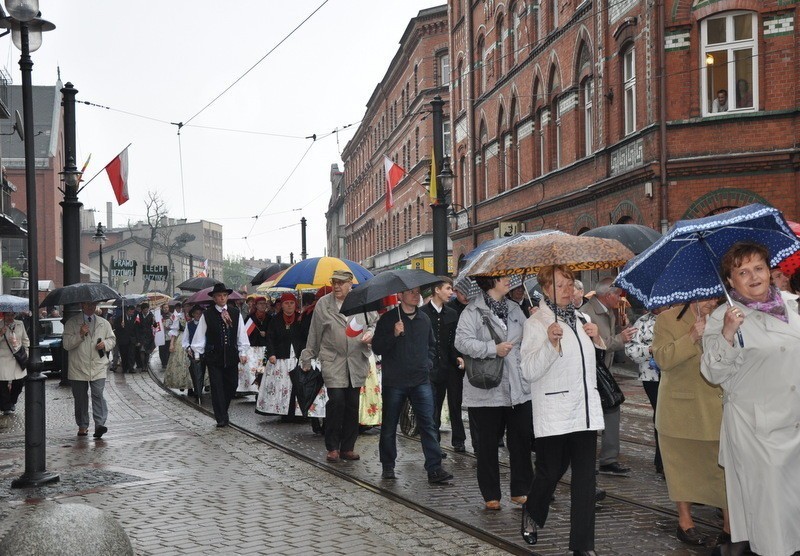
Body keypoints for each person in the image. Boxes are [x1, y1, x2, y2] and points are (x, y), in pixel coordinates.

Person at [702, 241, 800, 556]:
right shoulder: (723, 317)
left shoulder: (791, 305)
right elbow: (713, 373)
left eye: (758, 268)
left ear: (770, 271)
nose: (753, 276)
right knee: (770, 515)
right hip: (757, 427)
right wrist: (728, 334)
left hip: (794, 420)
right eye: (742, 271)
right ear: (730, 281)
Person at [519, 265, 604, 554]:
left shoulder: (583, 318)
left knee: (585, 480)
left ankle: (582, 546)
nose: (568, 290)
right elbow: (528, 371)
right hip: (555, 410)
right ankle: (532, 509)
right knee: (550, 471)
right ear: (545, 290)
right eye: (560, 285)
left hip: (585, 411)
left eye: (570, 283)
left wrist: (596, 339)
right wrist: (550, 342)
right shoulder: (536, 323)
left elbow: (588, 367)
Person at [652, 299, 729, 547]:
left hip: (718, 407)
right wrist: (691, 336)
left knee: (723, 471)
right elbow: (662, 359)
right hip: (680, 411)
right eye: (706, 296)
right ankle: (685, 524)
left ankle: (730, 528)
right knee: (681, 468)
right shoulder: (667, 319)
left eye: (714, 296)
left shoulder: (727, 316)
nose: (711, 301)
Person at [454, 275, 532, 510]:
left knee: (521, 439)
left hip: (517, 387)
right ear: (491, 281)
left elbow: (528, 340)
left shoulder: (516, 309)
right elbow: (461, 342)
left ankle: (521, 490)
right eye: (504, 277)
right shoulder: (472, 311)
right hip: (486, 389)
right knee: (487, 444)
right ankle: (491, 494)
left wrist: (536, 321)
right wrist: (492, 349)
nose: (510, 281)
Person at [372, 287, 453, 484]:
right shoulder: (389, 319)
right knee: (390, 425)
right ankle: (388, 465)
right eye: (410, 292)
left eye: (417, 292)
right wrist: (394, 333)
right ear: (400, 295)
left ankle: (434, 468)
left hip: (420, 380)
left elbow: (431, 346)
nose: (415, 295)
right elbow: (377, 347)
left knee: (428, 424)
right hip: (395, 382)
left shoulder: (424, 319)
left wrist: (428, 364)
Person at [299, 270, 377, 463]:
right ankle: (333, 447)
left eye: (341, 283)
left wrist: (371, 333)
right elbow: (315, 333)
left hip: (356, 360)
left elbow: (374, 322)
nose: (336, 286)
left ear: (351, 284)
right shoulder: (324, 304)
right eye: (334, 282)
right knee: (337, 401)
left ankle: (348, 447)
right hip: (333, 360)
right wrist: (307, 357)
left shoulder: (361, 301)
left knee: (352, 404)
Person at [580, 277, 636, 475]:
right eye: (618, 294)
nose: (621, 298)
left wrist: (623, 327)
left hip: (605, 371)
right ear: (607, 295)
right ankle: (591, 460)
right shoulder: (587, 313)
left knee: (612, 410)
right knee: (595, 416)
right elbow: (598, 344)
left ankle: (609, 458)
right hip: (592, 372)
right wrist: (620, 339)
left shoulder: (611, 311)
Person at [190, 283, 250, 427]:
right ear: (214, 298)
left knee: (232, 384)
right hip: (213, 355)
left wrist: (243, 351)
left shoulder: (235, 313)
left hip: (230, 354)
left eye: (224, 295)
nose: (222, 298)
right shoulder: (207, 314)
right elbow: (200, 336)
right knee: (217, 387)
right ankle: (221, 417)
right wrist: (197, 354)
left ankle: (223, 409)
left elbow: (241, 333)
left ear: (227, 297)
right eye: (219, 296)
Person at [420, 276, 466, 453]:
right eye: (448, 288)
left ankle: (459, 439)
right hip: (431, 368)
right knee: (434, 407)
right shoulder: (423, 313)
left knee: (455, 402)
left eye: (451, 289)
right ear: (437, 290)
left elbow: (454, 340)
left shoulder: (452, 313)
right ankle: (434, 445)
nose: (451, 292)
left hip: (451, 366)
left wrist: (458, 357)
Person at [63, 301, 116, 438]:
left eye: (93, 304)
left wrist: (106, 344)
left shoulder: (104, 323)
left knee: (98, 393)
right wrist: (80, 335)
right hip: (78, 366)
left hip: (98, 365)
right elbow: (66, 345)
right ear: (82, 305)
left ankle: (99, 424)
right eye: (88, 305)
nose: (91, 307)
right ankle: (82, 425)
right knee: (80, 398)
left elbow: (112, 339)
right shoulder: (72, 323)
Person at [624, 306, 667, 475]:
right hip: (652, 377)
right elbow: (631, 350)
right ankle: (661, 461)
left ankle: (666, 459)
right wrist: (650, 350)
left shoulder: (675, 318)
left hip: (674, 373)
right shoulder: (642, 322)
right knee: (661, 414)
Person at [256, 292, 305, 421]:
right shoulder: (275, 320)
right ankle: (284, 411)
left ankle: (299, 412)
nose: (289, 306)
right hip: (280, 358)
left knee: (297, 384)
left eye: (292, 303)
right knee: (283, 386)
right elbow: (270, 338)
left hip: (297, 358)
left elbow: (306, 338)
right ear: (281, 305)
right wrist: (271, 353)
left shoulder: (301, 319)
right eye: (286, 303)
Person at [0, 312, 29, 415]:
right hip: (3, 359)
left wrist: (26, 353)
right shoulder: (0, 324)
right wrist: (0, 334)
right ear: (4, 315)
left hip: (18, 358)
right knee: (2, 384)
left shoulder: (20, 324)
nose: (10, 317)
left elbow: (25, 340)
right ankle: (6, 406)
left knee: (19, 382)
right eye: (8, 315)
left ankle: (13, 401)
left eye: (12, 315)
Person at [163, 301, 192, 393]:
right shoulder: (179, 316)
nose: (187, 308)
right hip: (181, 339)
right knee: (180, 362)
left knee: (191, 363)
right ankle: (181, 382)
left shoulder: (195, 315)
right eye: (186, 306)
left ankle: (192, 386)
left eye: (189, 306)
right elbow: (174, 331)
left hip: (192, 339)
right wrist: (171, 344)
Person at [112, 305, 138, 373]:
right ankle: (125, 367)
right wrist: (121, 326)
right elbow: (116, 328)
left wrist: (136, 339)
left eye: (132, 312)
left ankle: (131, 368)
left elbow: (135, 329)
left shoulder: (134, 318)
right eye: (130, 312)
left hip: (131, 339)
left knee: (131, 354)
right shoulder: (120, 319)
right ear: (126, 311)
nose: (131, 314)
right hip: (123, 340)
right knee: (124, 354)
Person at [134, 302, 155, 371]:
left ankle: (146, 365)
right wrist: (137, 338)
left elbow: (155, 326)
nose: (146, 311)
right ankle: (143, 366)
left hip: (149, 336)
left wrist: (154, 322)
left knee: (147, 352)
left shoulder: (152, 316)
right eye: (144, 309)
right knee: (142, 351)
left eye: (147, 309)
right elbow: (136, 327)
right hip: (141, 336)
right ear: (142, 310)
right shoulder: (138, 316)